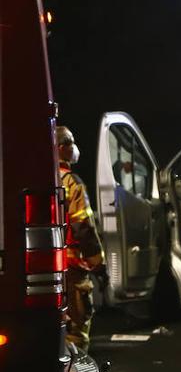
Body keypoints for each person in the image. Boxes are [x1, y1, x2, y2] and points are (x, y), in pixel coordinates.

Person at [56, 125, 104, 354]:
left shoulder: (38, 178)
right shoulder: (71, 183)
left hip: (48, 268)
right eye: (70, 143)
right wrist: (97, 260)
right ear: (62, 148)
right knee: (77, 325)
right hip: (73, 267)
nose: (73, 147)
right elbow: (83, 226)